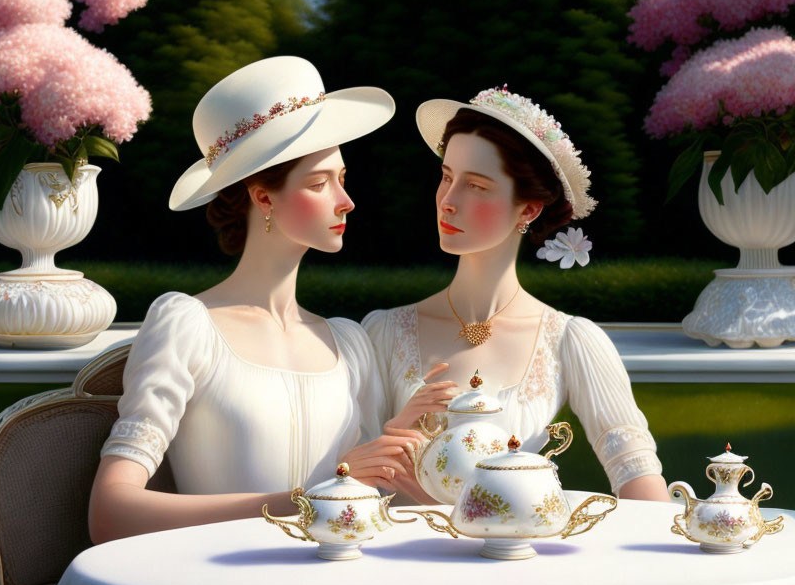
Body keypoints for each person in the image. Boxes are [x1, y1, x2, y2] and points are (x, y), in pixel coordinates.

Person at [89, 56, 423, 544]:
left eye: (342, 178)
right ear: (263, 198)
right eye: (318, 183)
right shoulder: (188, 324)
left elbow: (370, 499)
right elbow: (111, 513)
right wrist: (305, 500)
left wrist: (415, 447)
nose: (346, 201)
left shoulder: (348, 343)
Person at [363, 85, 670, 502]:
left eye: (476, 186)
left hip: (515, 559)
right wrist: (392, 437)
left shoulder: (568, 339)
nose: (448, 201)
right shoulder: (383, 331)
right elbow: (345, 477)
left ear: (527, 209)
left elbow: (640, 482)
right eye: (447, 177)